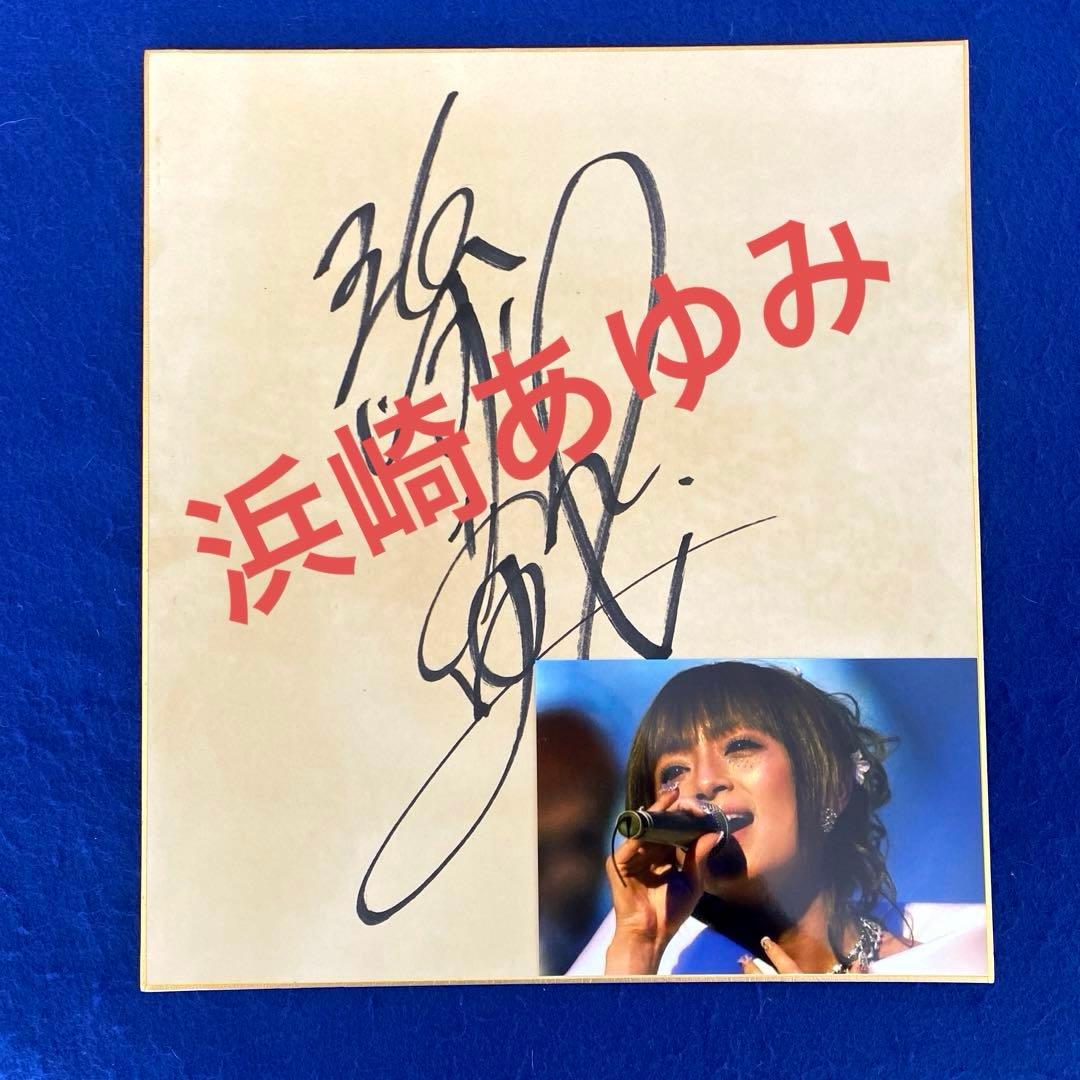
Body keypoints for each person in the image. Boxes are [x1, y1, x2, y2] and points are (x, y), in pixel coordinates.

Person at [567, 662, 988, 976]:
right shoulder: (635, 957)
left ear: (832, 786)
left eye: (739, 748)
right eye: (674, 771)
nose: (704, 783)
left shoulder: (957, 957)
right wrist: (638, 947)